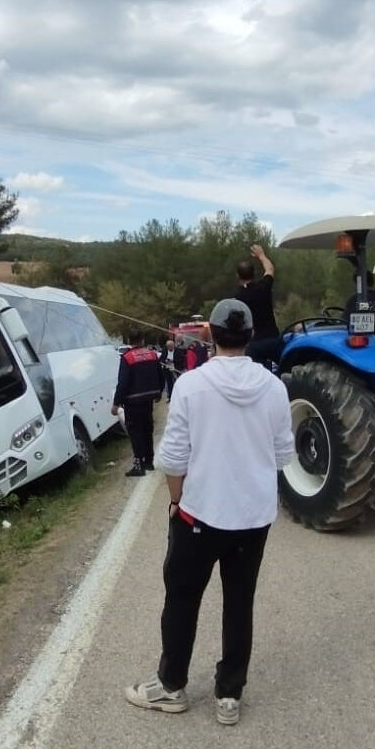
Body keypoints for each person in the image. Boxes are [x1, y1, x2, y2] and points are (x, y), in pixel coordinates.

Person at [125, 298, 293, 725]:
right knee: (240, 602)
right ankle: (229, 695)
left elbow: (173, 459)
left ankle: (171, 685)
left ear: (211, 336)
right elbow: (281, 455)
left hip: (200, 515)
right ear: (251, 336)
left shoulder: (191, 385)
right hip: (253, 518)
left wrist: (177, 501)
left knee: (182, 597)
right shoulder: (275, 388)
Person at [111, 331, 164, 477]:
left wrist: (116, 403)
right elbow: (160, 374)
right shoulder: (152, 354)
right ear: (143, 339)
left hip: (132, 402)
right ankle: (149, 462)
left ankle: (138, 465)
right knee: (147, 430)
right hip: (148, 400)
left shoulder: (127, 358)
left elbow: (123, 383)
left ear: (129, 340)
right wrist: (158, 392)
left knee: (135, 433)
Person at [234, 243, 281, 368]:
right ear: (254, 273)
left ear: (237, 276)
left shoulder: (238, 297)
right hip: (273, 339)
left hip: (254, 343)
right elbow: (270, 269)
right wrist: (261, 255)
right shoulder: (263, 287)